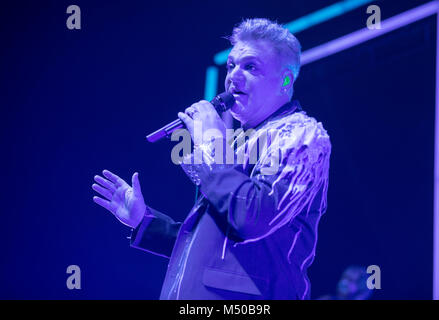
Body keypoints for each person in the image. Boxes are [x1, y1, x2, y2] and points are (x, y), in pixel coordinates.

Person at [92, 18, 331, 300]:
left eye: (250, 66)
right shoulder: (239, 146)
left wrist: (213, 144)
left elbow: (252, 217)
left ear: (286, 80)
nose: (233, 76)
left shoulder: (303, 134)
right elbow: (215, 249)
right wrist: (143, 222)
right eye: (231, 65)